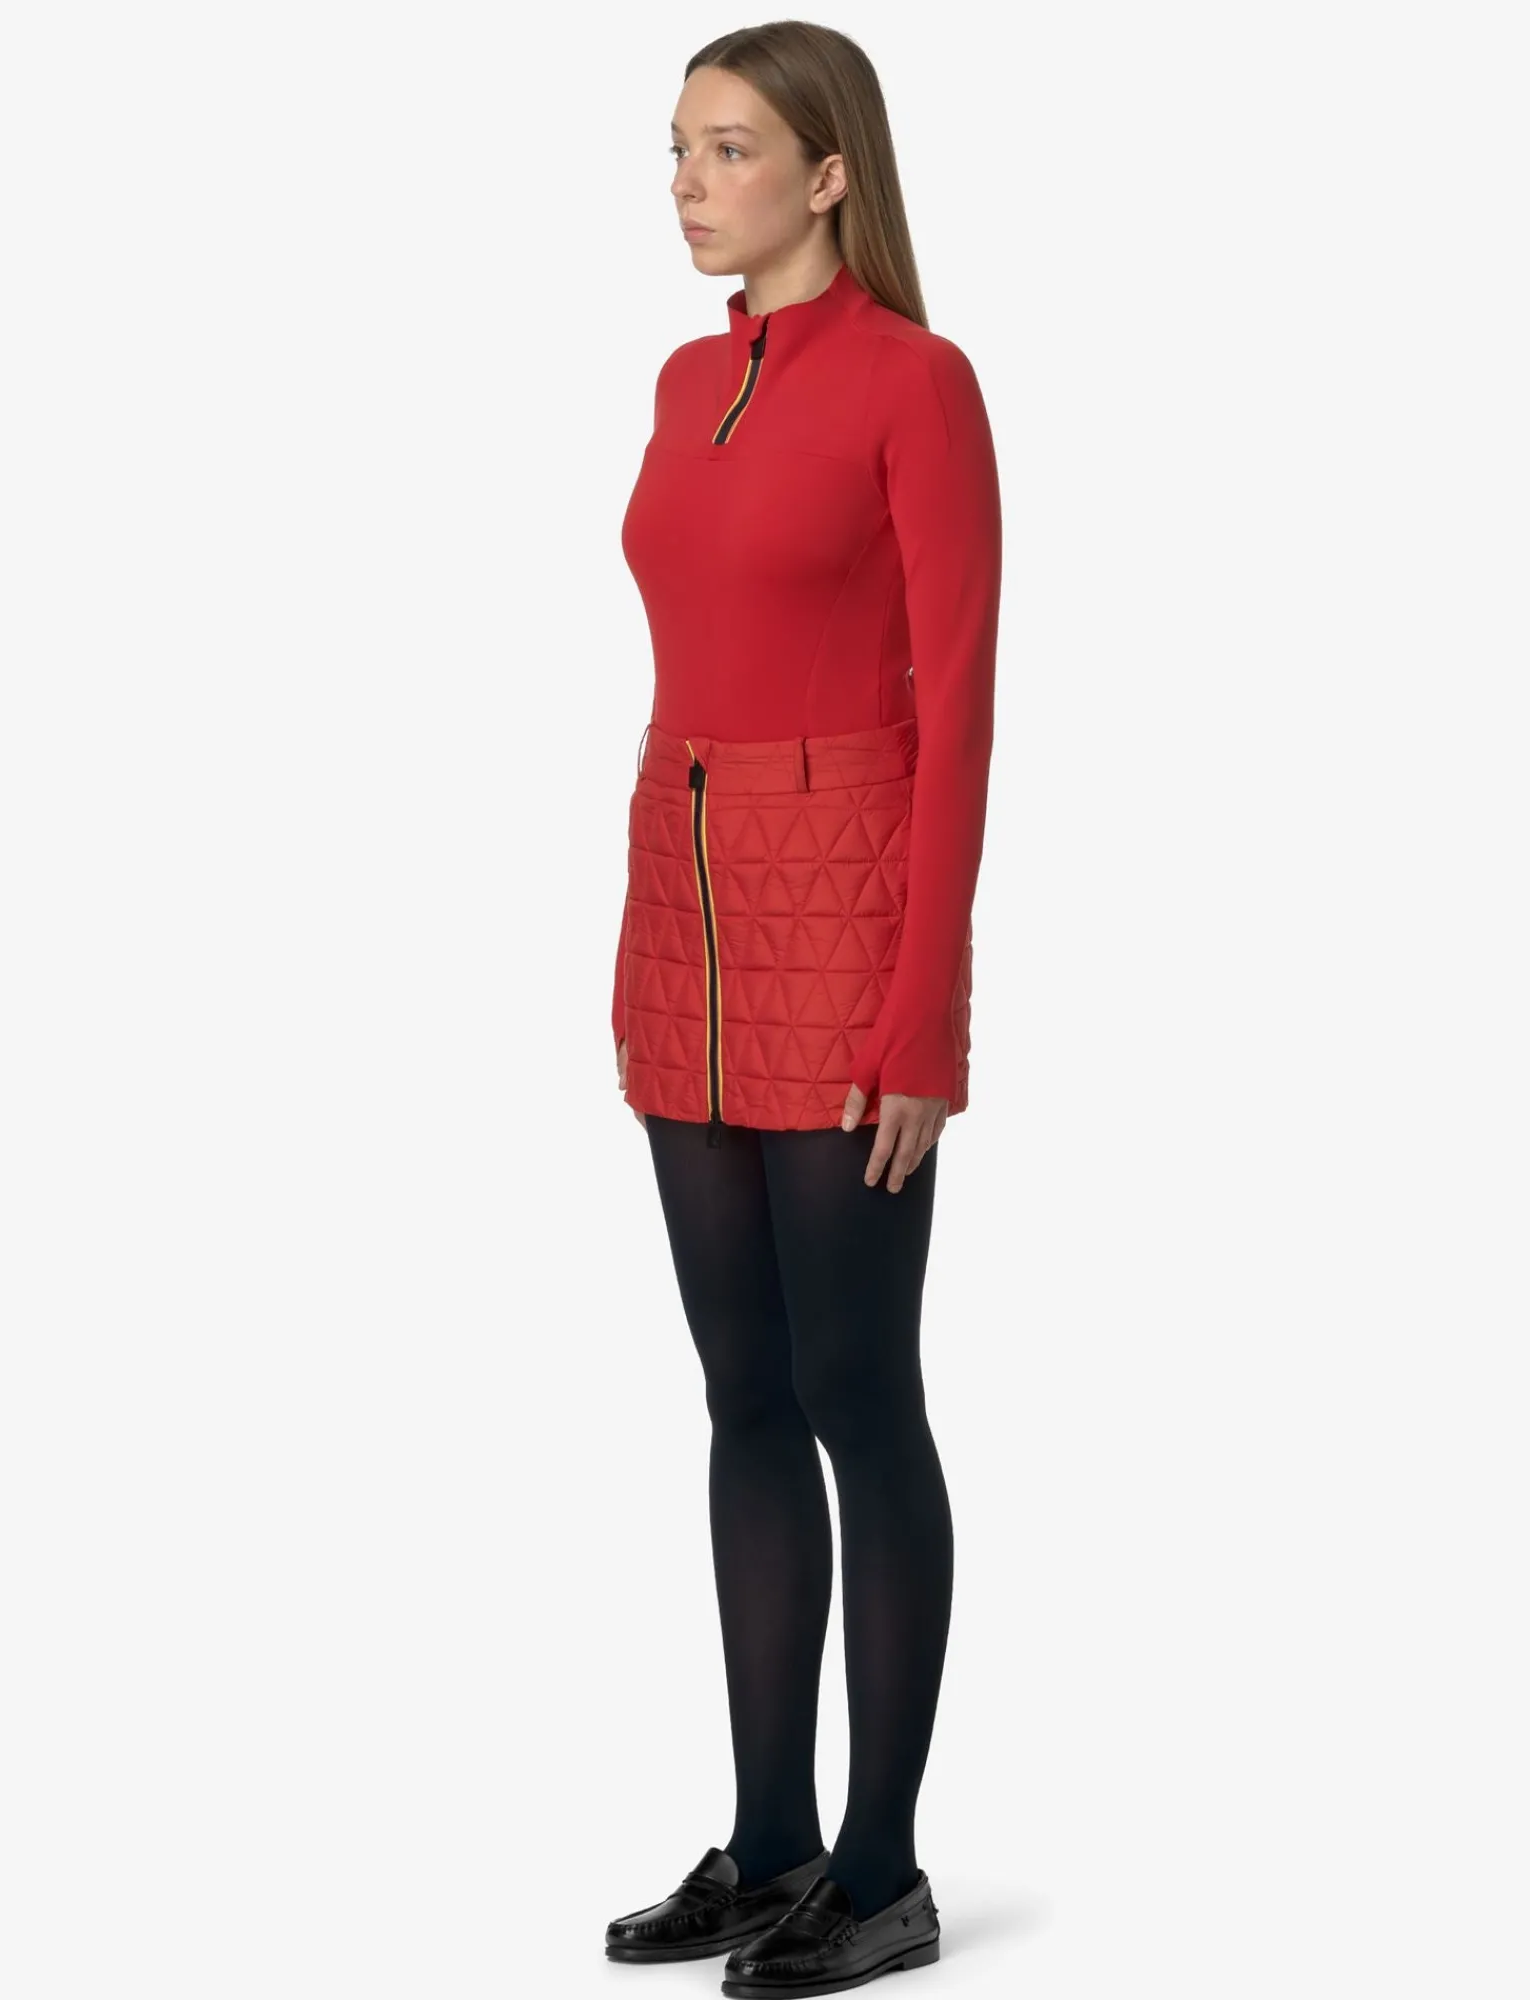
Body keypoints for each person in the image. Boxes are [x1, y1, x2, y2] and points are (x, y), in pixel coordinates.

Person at [602, 23, 1002, 1996]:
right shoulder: (690, 380)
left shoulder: (915, 383)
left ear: (830, 172)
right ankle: (768, 1846)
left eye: (731, 148)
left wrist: (923, 1016)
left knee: (857, 1391)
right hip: (681, 914)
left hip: (846, 915)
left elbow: (962, 702)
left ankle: (881, 1867)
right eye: (677, 148)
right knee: (741, 1393)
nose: (689, 182)